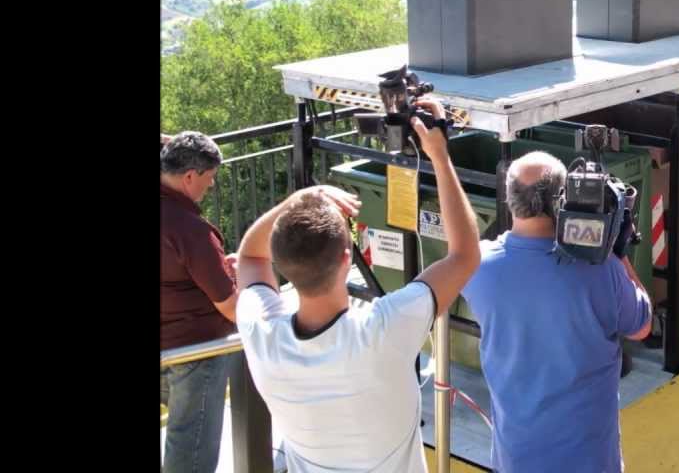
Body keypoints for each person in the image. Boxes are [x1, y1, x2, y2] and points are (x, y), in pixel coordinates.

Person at [235, 99, 481, 473]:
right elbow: (465, 256)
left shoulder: (263, 334)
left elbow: (250, 257)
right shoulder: (382, 330)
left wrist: (296, 201)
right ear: (346, 259)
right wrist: (439, 156)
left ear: (282, 264)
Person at [462, 151, 653, 473]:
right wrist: (617, 253)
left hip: (516, 460)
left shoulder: (476, 266)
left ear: (509, 198)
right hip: (590, 460)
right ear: (562, 200)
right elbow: (642, 326)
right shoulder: (601, 269)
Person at [161, 131, 239, 473]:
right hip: (195, 353)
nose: (211, 185)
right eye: (210, 178)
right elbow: (231, 307)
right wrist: (247, 277)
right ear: (190, 176)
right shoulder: (191, 230)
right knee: (190, 448)